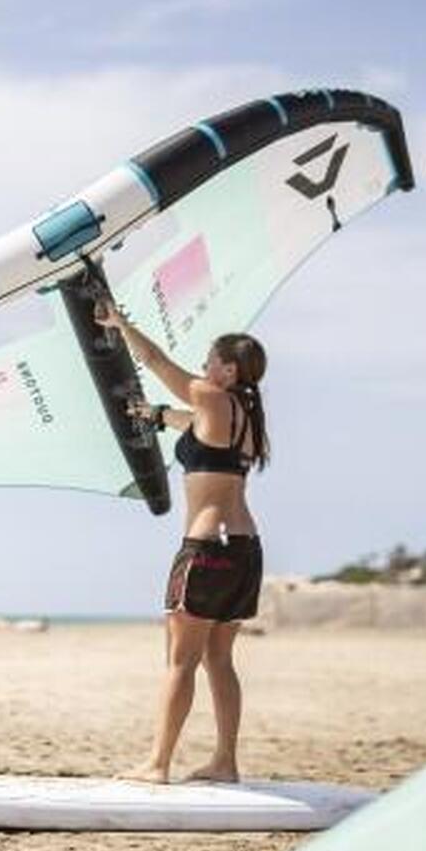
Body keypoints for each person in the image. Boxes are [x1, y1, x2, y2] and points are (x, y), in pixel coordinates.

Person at [95, 300, 270, 784]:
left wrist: (119, 323)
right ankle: (225, 762)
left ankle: (157, 764)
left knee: (180, 660)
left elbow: (153, 362)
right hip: (245, 549)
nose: (205, 366)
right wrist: (154, 415)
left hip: (206, 549)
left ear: (228, 370)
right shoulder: (248, 417)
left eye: (212, 360)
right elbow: (193, 426)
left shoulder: (212, 397)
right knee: (219, 659)